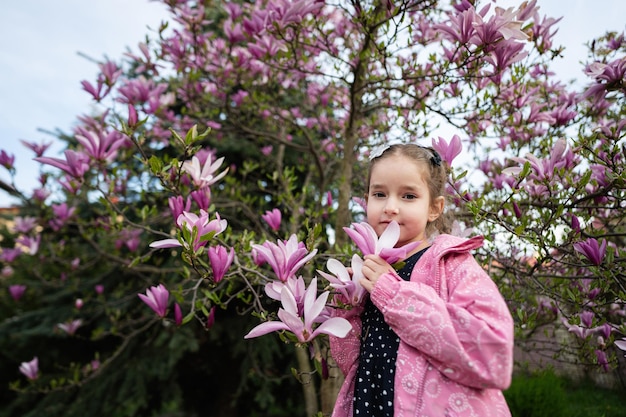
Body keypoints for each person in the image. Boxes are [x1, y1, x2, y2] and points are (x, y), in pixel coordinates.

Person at [329, 144, 513, 417]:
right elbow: (354, 363)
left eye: (408, 196)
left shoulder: (452, 264)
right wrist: (349, 303)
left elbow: (493, 355)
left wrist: (392, 293)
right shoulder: (371, 271)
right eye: (379, 194)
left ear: (434, 208)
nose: (390, 207)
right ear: (366, 201)